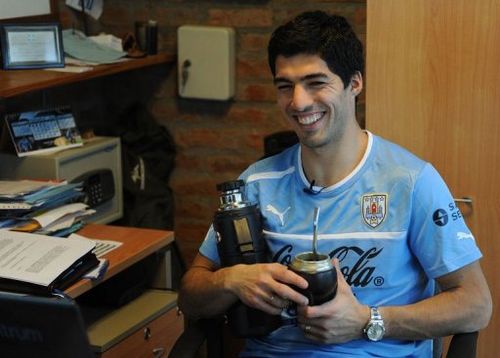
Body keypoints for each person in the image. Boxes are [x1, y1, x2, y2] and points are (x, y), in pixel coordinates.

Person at [178, 10, 492, 357]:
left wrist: (367, 321)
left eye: (316, 83)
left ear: (354, 83)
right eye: (285, 86)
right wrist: (229, 280)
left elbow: (476, 305)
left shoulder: (411, 181)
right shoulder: (256, 183)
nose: (298, 102)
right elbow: (191, 296)